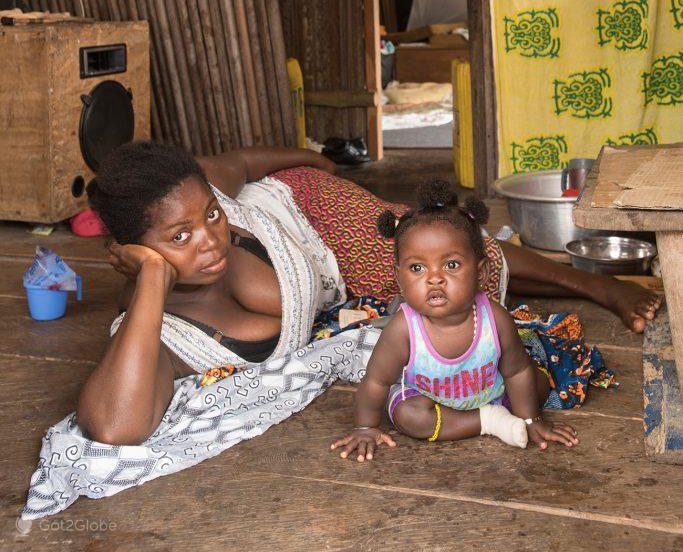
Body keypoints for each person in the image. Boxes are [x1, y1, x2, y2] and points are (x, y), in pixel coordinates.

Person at [78, 141, 660, 446]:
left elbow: (239, 164)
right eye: (179, 238)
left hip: (310, 212)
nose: (210, 239)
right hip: (336, 286)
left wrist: (308, 161)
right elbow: (114, 427)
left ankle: (596, 285)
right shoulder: (163, 335)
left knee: (447, 256)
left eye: (209, 214)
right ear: (131, 252)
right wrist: (152, 278)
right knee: (432, 287)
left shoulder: (201, 195)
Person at [331, 180, 579, 462]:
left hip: (490, 392)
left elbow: (516, 372)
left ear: (482, 272)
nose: (434, 278)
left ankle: (501, 416)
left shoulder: (494, 318)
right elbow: (375, 382)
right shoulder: (404, 329)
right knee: (407, 416)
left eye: (451, 265)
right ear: (399, 279)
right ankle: (488, 422)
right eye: (417, 268)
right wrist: (365, 427)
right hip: (431, 404)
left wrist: (533, 419)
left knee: (536, 381)